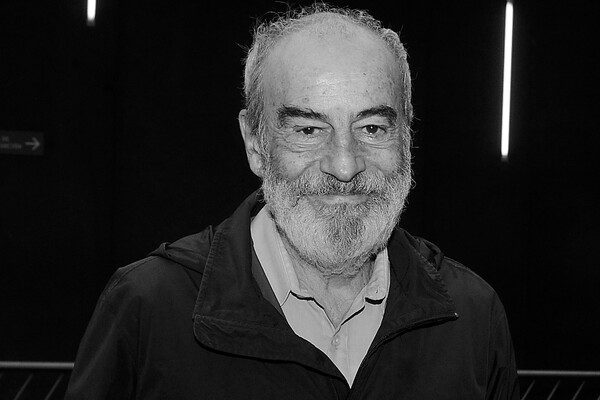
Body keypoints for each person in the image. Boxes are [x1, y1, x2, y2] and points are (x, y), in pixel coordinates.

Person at [65, 4, 519, 399]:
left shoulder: (471, 317)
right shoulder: (151, 308)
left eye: (372, 128)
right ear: (255, 144)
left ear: (405, 137)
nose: (345, 165)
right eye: (308, 130)